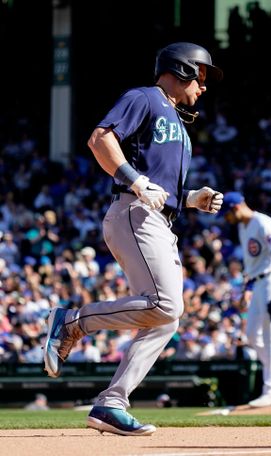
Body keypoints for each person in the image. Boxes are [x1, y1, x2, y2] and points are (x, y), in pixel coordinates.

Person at [43, 42, 224, 435]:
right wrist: (136, 181)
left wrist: (191, 198)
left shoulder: (177, 122)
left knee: (165, 319)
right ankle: (72, 322)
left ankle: (111, 403)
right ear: (183, 69)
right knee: (165, 304)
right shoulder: (145, 97)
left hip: (157, 217)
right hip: (134, 213)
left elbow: (158, 181)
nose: (204, 86)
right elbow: (100, 139)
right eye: (202, 76)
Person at [220, 192, 271, 407]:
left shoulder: (263, 222)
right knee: (252, 335)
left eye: (227, 214)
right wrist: (248, 288)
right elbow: (252, 265)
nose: (226, 219)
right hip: (258, 282)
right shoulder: (243, 227)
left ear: (236, 207)